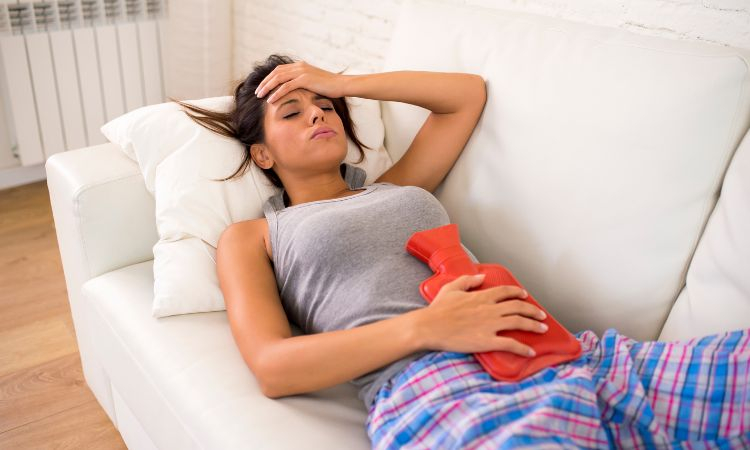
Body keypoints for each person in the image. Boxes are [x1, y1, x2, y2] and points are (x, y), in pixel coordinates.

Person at [175, 54, 750, 449]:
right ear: (263, 155)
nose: (318, 113)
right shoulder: (254, 236)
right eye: (291, 112)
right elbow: (273, 367)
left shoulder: (397, 187)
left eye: (323, 104)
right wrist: (429, 326)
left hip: (557, 351)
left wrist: (344, 83)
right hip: (437, 387)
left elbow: (465, 95)